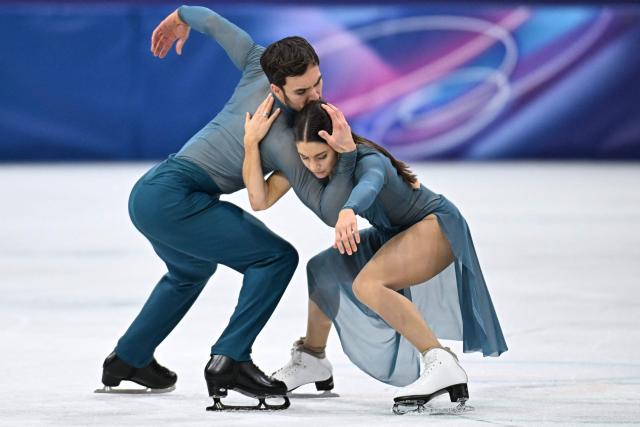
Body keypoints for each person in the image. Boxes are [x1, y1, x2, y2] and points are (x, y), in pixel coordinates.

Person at [99, 6, 358, 410]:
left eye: (318, 83)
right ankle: (231, 358)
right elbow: (327, 210)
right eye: (302, 92)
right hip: (175, 198)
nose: (316, 97)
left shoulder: (259, 61)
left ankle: (128, 359)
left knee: (190, 271)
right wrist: (346, 157)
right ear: (276, 89)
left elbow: (213, 23)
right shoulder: (283, 138)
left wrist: (180, 16)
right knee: (276, 258)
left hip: (152, 192)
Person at [242, 100, 508, 413]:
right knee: (322, 268)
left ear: (336, 143)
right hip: (391, 233)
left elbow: (370, 183)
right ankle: (312, 358)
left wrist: (349, 209)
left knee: (369, 285)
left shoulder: (370, 159)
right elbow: (258, 199)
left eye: (320, 156)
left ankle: (440, 361)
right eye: (305, 157)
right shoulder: (319, 162)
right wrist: (250, 144)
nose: (313, 166)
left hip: (433, 225)